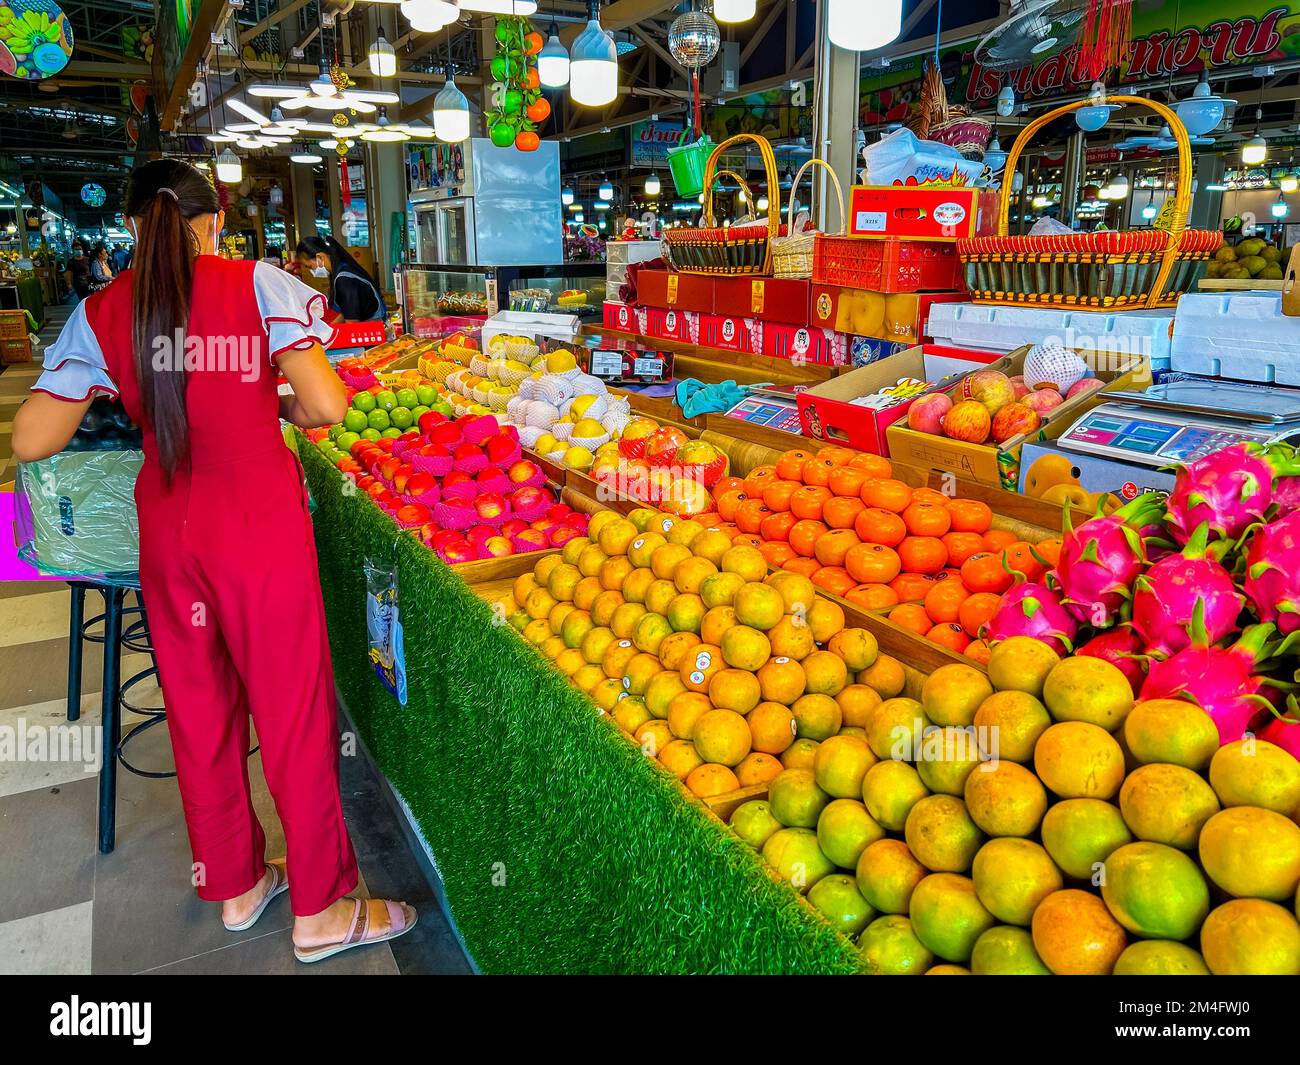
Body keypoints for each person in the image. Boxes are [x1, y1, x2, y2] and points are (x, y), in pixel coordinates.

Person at [12, 158, 416, 963]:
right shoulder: (254, 285)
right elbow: (329, 405)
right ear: (213, 222)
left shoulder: (103, 313)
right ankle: (324, 910)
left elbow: (30, 439)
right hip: (258, 530)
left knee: (199, 714)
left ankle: (236, 887)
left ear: (131, 226)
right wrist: (271, 393)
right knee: (293, 715)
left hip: (168, 534)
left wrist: (124, 392)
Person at [295, 235, 386, 322]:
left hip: (371, 328)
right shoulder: (341, 269)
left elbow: (352, 323)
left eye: (310, 266)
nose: (312, 271)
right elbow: (347, 310)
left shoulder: (345, 280)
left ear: (320, 257)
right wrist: (330, 328)